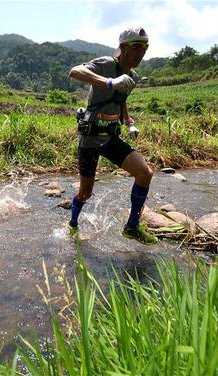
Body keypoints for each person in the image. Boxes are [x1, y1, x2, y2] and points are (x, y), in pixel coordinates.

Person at [67, 27, 158, 244]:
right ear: (123, 47)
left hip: (109, 138)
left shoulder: (133, 77)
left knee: (145, 173)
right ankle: (72, 224)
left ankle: (132, 227)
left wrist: (129, 123)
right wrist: (109, 81)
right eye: (136, 46)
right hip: (89, 140)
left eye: (145, 47)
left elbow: (121, 99)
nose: (141, 52)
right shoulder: (107, 64)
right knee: (85, 193)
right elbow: (74, 71)